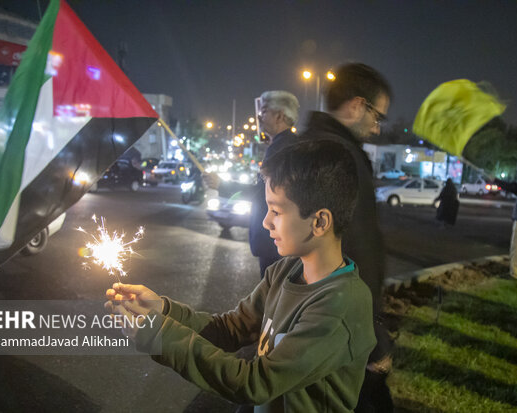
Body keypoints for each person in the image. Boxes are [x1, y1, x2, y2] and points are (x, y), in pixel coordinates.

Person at [106, 140, 376, 411]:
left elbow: (254, 383)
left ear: (319, 222)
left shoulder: (340, 306)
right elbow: (230, 329)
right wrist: (164, 310)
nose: (266, 222)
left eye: (277, 211)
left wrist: (160, 335)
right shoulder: (284, 271)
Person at [299, 62, 394, 412]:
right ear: (356, 105)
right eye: (376, 115)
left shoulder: (302, 146)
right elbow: (358, 251)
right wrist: (373, 338)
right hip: (340, 330)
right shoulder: (345, 159)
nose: (376, 126)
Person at [205, 90, 299, 277]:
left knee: (272, 298)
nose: (259, 117)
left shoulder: (282, 148)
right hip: (277, 239)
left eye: (264, 111)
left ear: (279, 115)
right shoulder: (283, 144)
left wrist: (222, 185)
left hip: (274, 241)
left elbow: (263, 192)